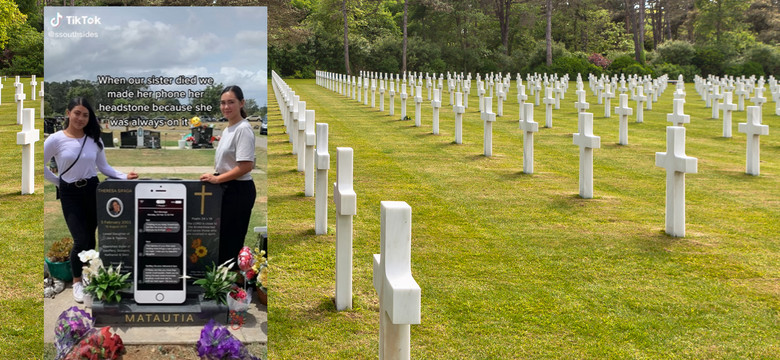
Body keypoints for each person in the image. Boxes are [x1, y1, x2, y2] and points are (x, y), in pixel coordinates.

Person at [44, 97, 138, 303]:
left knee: (91, 236)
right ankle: (77, 281)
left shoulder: (94, 139)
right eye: (77, 113)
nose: (80, 118)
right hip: (70, 194)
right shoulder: (55, 139)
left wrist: (124, 176)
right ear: (68, 113)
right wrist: (59, 182)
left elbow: (104, 167)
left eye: (85, 115)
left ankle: (88, 274)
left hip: (93, 190)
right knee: (80, 240)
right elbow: (39, 164)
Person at [200, 85, 256, 269]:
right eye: (223, 103)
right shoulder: (227, 129)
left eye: (231, 102)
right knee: (221, 238)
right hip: (226, 188)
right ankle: (221, 281)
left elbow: (246, 166)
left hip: (238, 191)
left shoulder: (243, 129)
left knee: (231, 240)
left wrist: (217, 179)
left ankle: (229, 286)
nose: (226, 107)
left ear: (241, 103)